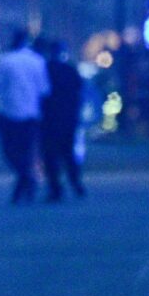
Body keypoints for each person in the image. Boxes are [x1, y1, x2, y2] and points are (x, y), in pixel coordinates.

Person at [0, 29, 50, 203]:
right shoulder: (37, 61)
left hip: (9, 113)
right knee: (29, 151)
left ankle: (24, 179)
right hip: (32, 114)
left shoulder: (4, 61)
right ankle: (27, 179)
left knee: (10, 151)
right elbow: (44, 90)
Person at [40, 39, 86, 201]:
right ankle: (76, 183)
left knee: (50, 156)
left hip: (49, 120)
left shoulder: (45, 70)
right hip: (68, 119)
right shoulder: (70, 70)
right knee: (68, 154)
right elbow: (79, 91)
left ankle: (55, 189)